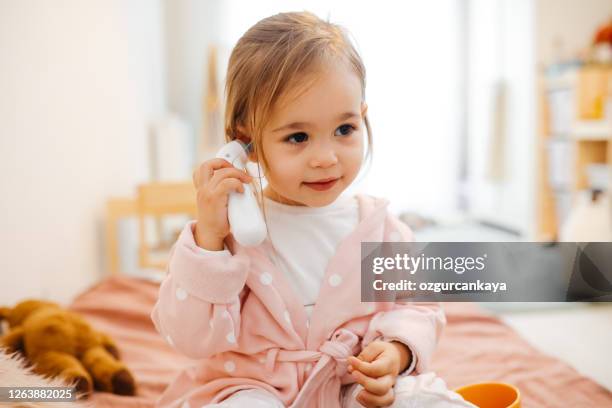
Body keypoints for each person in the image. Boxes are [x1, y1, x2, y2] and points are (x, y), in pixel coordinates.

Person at [151, 11, 475, 408]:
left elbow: (418, 311)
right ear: (245, 140)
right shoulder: (229, 236)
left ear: (363, 117)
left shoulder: (382, 230)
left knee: (423, 400)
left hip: (351, 388)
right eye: (298, 137)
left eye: (344, 130)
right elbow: (190, 338)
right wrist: (209, 241)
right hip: (253, 388)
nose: (325, 158)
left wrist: (395, 353)